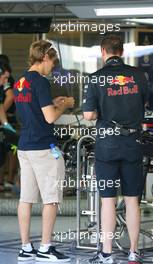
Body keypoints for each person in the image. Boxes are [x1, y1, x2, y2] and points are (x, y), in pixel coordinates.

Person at [82, 32, 149, 264]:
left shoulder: (95, 78)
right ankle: (133, 251)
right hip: (133, 145)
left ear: (103, 52)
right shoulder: (139, 76)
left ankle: (107, 253)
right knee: (132, 200)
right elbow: (143, 108)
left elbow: (89, 115)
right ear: (122, 52)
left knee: (107, 200)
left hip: (107, 146)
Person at [14, 40, 75, 262]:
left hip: (25, 146)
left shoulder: (19, 82)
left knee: (26, 198)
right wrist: (65, 104)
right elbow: (49, 117)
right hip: (43, 148)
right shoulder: (40, 82)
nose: (53, 66)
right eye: (53, 61)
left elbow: (33, 111)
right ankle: (45, 248)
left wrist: (53, 102)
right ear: (45, 57)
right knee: (50, 199)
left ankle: (26, 248)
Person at [0, 55, 17, 189]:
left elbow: (1, 105)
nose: (6, 82)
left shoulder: (4, 83)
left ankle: (8, 180)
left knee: (10, 149)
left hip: (8, 120)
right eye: (4, 78)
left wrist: (5, 123)